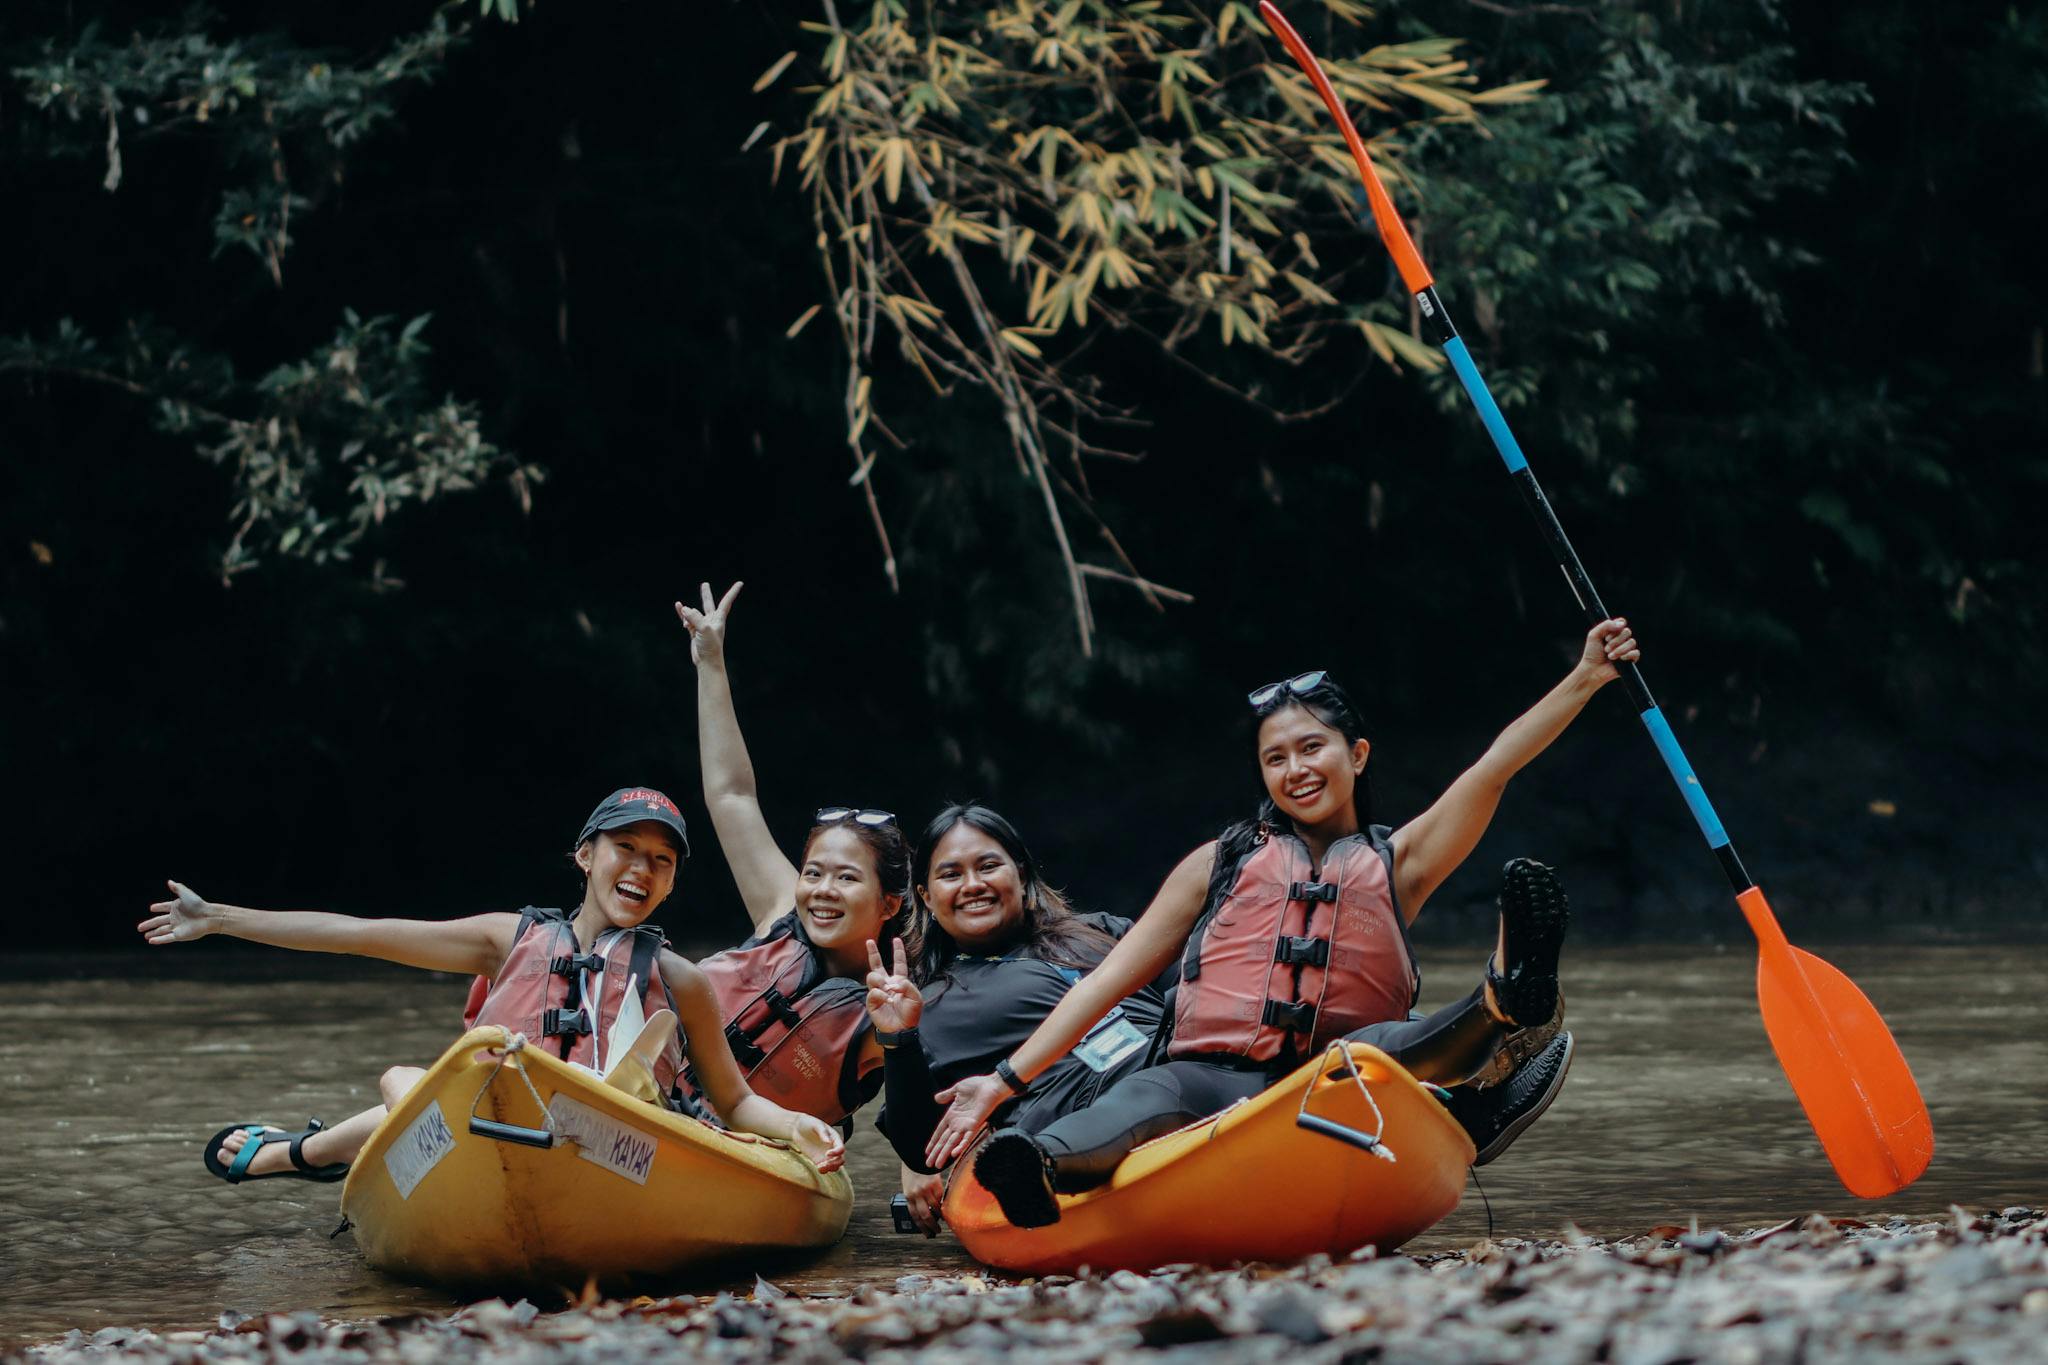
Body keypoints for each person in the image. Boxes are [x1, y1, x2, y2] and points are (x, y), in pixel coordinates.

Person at [926, 619, 1640, 1228]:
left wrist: (1585, 676)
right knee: (1139, 1099)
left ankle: (1505, 999)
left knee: (1385, 1048)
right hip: (1203, 1077)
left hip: (1334, 1077)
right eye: (1275, 757)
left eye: (1311, 747)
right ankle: (1036, 1166)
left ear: (1357, 755)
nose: (1295, 768)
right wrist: (1002, 1081)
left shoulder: (1401, 861)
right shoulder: (1217, 862)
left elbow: (1493, 768)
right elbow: (1108, 981)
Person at [142, 787, 845, 1185]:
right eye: (625, 848)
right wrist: (222, 918)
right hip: (485, 1129)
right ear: (585, 856)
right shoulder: (507, 939)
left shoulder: (679, 978)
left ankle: (313, 1149)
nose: (641, 867)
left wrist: (797, 1126)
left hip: (612, 1147)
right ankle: (306, 1152)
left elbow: (737, 1100)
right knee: (405, 1078)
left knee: (403, 1082)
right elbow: (358, 931)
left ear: (670, 882)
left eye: (660, 859)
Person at [860, 803, 1176, 1231]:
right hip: (1088, 1122)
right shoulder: (932, 1000)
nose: (973, 885)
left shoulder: (1102, 930)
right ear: (926, 897)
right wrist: (897, 1039)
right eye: (951, 874)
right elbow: (919, 1143)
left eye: (989, 866)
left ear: (1021, 874)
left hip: (1188, 1069)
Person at [672, 581, 909, 1127]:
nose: (821, 890)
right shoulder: (782, 910)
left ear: (890, 902)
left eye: (847, 878)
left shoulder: (900, 999)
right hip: (648, 1100)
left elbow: (931, 1086)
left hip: (752, 1152)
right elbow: (731, 796)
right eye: (813, 873)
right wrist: (710, 662)